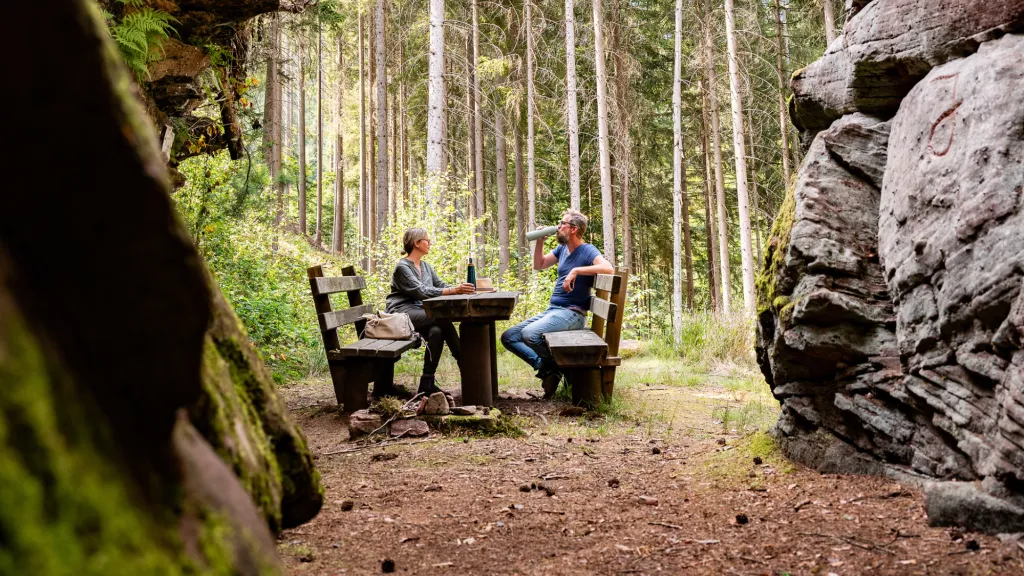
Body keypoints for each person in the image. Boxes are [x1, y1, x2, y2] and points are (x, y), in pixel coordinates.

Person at [500, 209, 614, 398]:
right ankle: (549, 369)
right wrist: (540, 242)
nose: (558, 227)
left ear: (574, 229)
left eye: (562, 223)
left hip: (572, 314)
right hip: (554, 311)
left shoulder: (587, 250)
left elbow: (608, 268)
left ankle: (554, 370)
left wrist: (576, 270)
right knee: (509, 337)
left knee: (530, 334)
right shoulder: (562, 249)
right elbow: (539, 264)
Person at [386, 227, 476, 396]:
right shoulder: (402, 268)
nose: (430, 243)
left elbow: (439, 285)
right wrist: (454, 291)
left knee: (437, 331)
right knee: (441, 319)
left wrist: (459, 289)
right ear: (416, 243)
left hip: (419, 312)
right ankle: (462, 359)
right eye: (427, 240)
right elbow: (421, 292)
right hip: (400, 313)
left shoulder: (425, 266)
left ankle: (427, 382)